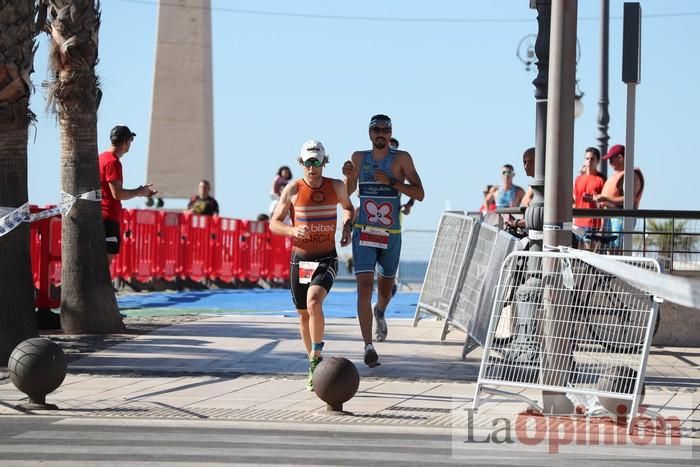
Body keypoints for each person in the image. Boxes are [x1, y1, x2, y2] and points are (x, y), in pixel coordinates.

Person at [270, 140, 354, 391]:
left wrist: (347, 225)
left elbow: (349, 208)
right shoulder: (293, 190)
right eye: (308, 162)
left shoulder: (336, 186)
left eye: (317, 162)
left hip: (326, 257)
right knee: (303, 315)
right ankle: (313, 363)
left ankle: (316, 355)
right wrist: (292, 229)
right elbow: (274, 223)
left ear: (324, 162)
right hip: (301, 260)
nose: (312, 168)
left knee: (314, 302)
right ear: (301, 163)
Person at [343, 114, 425, 367]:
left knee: (385, 291)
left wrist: (391, 181)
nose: (381, 133)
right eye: (376, 130)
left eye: (385, 130)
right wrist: (348, 177)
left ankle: (380, 311)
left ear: (390, 134)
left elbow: (420, 193)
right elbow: (346, 194)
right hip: (365, 231)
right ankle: (368, 345)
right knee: (364, 286)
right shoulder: (359, 158)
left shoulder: (401, 159)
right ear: (369, 134)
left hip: (391, 234)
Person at [99, 125, 157, 267]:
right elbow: (117, 194)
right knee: (105, 263)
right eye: (131, 139)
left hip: (99, 216)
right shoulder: (113, 162)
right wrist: (139, 192)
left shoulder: (101, 158)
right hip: (108, 218)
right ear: (125, 141)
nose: (131, 143)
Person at [593, 144, 645, 249]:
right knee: (611, 250)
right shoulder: (621, 175)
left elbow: (628, 200)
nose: (609, 163)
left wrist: (605, 198)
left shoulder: (632, 175)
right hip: (611, 219)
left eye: (611, 159)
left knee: (616, 249)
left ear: (620, 157)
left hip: (620, 218)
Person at [573, 147, 606, 246]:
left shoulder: (601, 180)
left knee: (589, 254)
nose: (589, 161)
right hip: (578, 222)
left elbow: (604, 205)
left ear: (598, 161)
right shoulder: (578, 179)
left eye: (592, 159)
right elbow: (574, 200)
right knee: (577, 255)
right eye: (587, 159)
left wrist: (602, 227)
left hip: (592, 223)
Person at [390, 138, 415, 216]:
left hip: (393, 211)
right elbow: (358, 193)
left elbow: (416, 187)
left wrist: (409, 204)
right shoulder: (371, 163)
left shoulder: (401, 168)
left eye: (393, 148)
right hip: (369, 211)